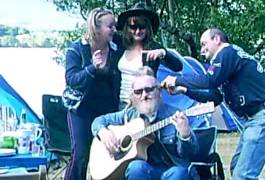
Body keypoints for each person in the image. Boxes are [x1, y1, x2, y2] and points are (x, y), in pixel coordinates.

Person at [162, 28, 265, 179]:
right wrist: (184, 90)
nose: (201, 50)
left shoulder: (227, 52)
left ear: (217, 39)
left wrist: (176, 79)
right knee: (236, 167)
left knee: (243, 174)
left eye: (204, 43)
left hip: (263, 115)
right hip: (255, 118)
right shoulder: (227, 63)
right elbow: (215, 98)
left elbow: (208, 80)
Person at [91, 67, 217, 179]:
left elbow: (189, 154)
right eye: (138, 92)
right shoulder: (128, 115)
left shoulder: (174, 115)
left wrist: (185, 135)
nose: (144, 95)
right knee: (136, 168)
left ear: (159, 92)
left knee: (179, 174)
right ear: (133, 96)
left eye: (149, 90)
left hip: (169, 169)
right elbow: (98, 122)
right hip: (144, 170)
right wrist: (103, 132)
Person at [64, 8, 122, 180]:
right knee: (81, 154)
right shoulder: (76, 49)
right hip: (81, 109)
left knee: (108, 153)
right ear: (96, 28)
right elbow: (72, 79)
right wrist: (91, 68)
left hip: (107, 110)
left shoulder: (115, 48)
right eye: (110, 26)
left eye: (115, 26)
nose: (114, 30)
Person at [115, 2, 183, 109]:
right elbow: (105, 29)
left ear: (148, 28)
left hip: (143, 103)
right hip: (122, 104)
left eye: (142, 27)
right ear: (127, 28)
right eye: (133, 26)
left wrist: (163, 54)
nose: (137, 31)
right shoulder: (122, 45)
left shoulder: (153, 47)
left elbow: (178, 66)